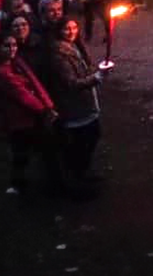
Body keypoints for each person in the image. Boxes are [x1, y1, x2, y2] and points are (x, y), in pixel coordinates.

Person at [0, 33, 62, 195]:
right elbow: (21, 94)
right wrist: (45, 110)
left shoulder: (15, 62)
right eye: (7, 45)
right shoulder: (1, 72)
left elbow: (33, 84)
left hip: (25, 116)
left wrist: (47, 105)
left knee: (23, 150)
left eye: (14, 45)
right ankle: (50, 182)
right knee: (33, 148)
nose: (12, 49)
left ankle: (21, 182)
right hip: (19, 118)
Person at [48, 18, 107, 188]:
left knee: (92, 136)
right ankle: (76, 178)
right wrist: (95, 78)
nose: (72, 32)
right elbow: (70, 83)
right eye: (67, 29)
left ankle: (82, 172)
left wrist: (97, 71)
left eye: (74, 27)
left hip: (84, 103)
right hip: (74, 105)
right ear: (59, 30)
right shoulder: (58, 54)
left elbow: (83, 69)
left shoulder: (74, 46)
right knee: (82, 142)